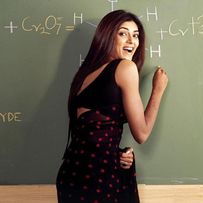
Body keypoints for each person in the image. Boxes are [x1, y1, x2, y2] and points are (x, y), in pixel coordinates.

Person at [56, 9, 168, 203]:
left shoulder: (84, 74)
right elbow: (141, 134)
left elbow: (90, 134)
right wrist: (157, 90)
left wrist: (117, 156)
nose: (131, 42)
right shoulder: (125, 68)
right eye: (123, 33)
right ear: (107, 36)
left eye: (135, 35)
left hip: (71, 175)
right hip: (97, 180)